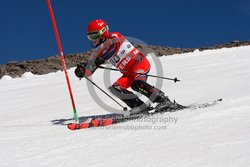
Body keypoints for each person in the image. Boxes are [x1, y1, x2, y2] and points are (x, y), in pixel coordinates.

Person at [74, 19, 177, 114]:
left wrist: (96, 61)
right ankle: (139, 106)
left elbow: (112, 50)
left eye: (95, 36)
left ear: (103, 32)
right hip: (128, 74)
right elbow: (91, 69)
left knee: (136, 84)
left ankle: (163, 100)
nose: (93, 40)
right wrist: (82, 71)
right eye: (90, 37)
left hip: (139, 64)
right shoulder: (100, 52)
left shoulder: (114, 36)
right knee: (115, 88)